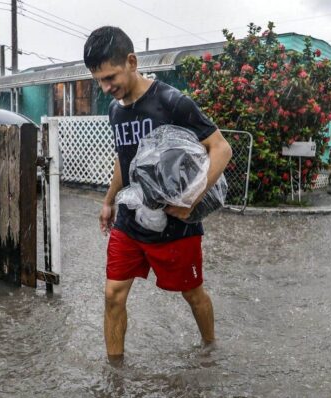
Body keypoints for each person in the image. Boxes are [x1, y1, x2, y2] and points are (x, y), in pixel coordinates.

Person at [83, 26, 233, 361]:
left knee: (192, 294)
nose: (107, 88)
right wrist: (108, 202)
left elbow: (221, 149)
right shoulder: (115, 110)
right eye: (100, 81)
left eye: (110, 77)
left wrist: (191, 200)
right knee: (113, 295)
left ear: (131, 62)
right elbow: (126, 159)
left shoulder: (172, 101)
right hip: (130, 220)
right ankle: (115, 373)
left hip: (176, 222)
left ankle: (210, 349)